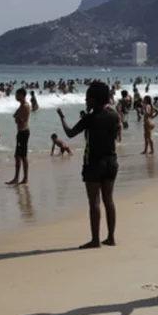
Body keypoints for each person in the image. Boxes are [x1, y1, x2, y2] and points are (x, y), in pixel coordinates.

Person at [56, 81, 121, 249]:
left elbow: (70, 133)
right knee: (109, 199)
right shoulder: (114, 115)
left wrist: (62, 118)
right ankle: (111, 237)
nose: (85, 100)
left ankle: (95, 240)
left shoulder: (90, 118)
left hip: (93, 162)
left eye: (87, 97)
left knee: (94, 202)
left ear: (94, 99)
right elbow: (116, 134)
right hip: (111, 160)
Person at [6, 88, 30, 185]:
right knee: (19, 156)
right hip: (21, 132)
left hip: (23, 132)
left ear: (22, 95)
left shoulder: (24, 106)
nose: (16, 96)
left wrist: (17, 117)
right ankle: (18, 178)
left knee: (22, 156)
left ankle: (23, 178)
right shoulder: (22, 105)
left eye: (17, 95)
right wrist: (17, 117)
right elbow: (15, 116)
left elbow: (18, 119)